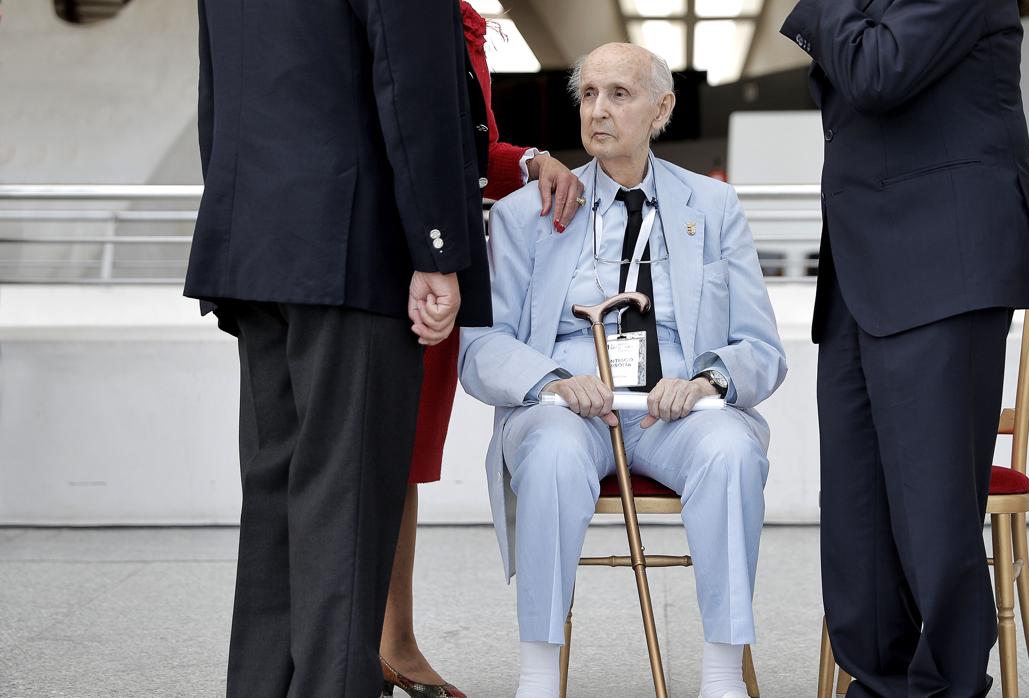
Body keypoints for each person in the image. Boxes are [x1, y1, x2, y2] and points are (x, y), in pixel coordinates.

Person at [459, 43, 787, 698]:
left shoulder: (713, 208)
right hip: (566, 406)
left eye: (619, 94)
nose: (598, 110)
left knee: (730, 450)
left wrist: (705, 381)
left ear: (661, 107)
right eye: (588, 95)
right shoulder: (528, 213)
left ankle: (722, 677)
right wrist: (552, 380)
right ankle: (538, 677)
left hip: (675, 408)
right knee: (550, 454)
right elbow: (482, 345)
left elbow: (761, 346)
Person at [184, 1, 490, 695]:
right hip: (353, 243)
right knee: (345, 503)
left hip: (255, 240)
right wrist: (436, 245)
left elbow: (216, 90)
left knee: (275, 500)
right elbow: (414, 85)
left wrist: (239, 223)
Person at [780, 1, 1029, 696]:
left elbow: (878, 73)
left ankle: (949, 687)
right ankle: (876, 683)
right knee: (854, 515)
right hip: (859, 266)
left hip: (942, 260)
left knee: (934, 510)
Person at [378, 5, 583, 697]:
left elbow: (462, 151)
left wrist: (531, 161)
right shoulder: (402, 16)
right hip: (389, 263)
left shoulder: (464, 25)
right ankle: (368, 641)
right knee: (363, 459)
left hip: (444, 270)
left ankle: (392, 640)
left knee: (401, 465)